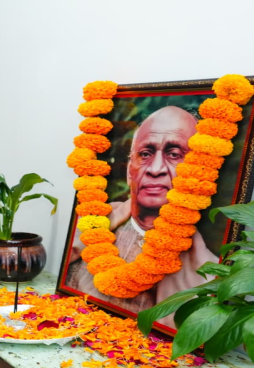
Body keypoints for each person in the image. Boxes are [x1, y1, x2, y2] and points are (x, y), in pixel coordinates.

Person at [66, 106, 218, 317]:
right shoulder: (90, 224)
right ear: (130, 171)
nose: (156, 169)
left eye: (174, 154)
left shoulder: (207, 271)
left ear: (199, 172)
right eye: (145, 154)